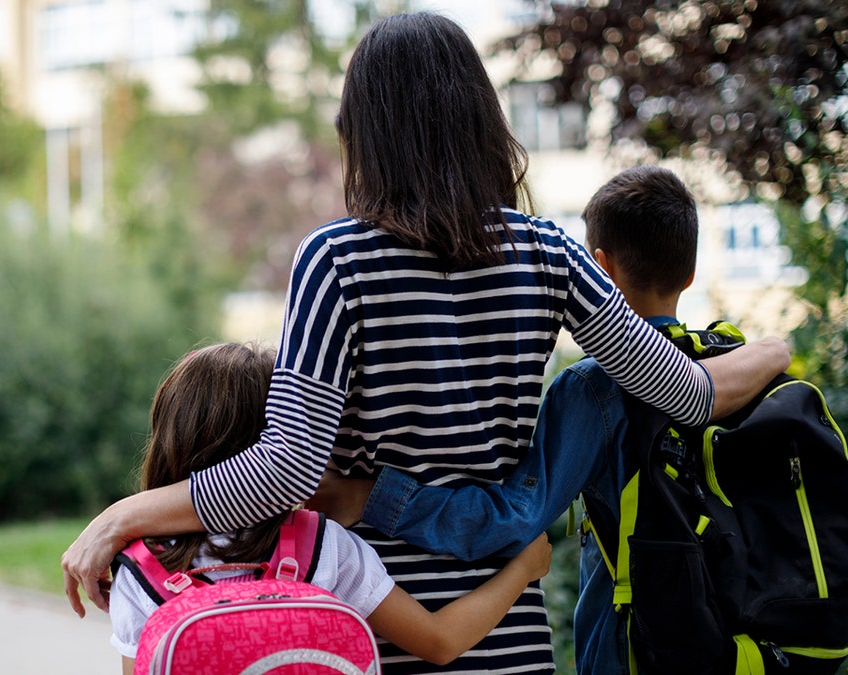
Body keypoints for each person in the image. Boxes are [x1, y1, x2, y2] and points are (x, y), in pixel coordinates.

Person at [63, 13, 790, 674]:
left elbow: (285, 470)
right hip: (510, 635)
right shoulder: (547, 254)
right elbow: (691, 393)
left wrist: (123, 516)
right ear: (481, 120)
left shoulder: (337, 261)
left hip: (376, 632)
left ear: (368, 134)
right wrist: (778, 348)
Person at [309, 165, 720, 674]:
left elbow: (513, 519)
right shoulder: (726, 364)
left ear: (601, 268)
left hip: (633, 648)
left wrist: (369, 496)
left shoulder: (594, 388)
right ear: (689, 274)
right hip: (724, 638)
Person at [111, 342, 553, 674]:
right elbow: (439, 642)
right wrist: (523, 570)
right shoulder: (321, 544)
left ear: (168, 439)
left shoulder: (141, 567)